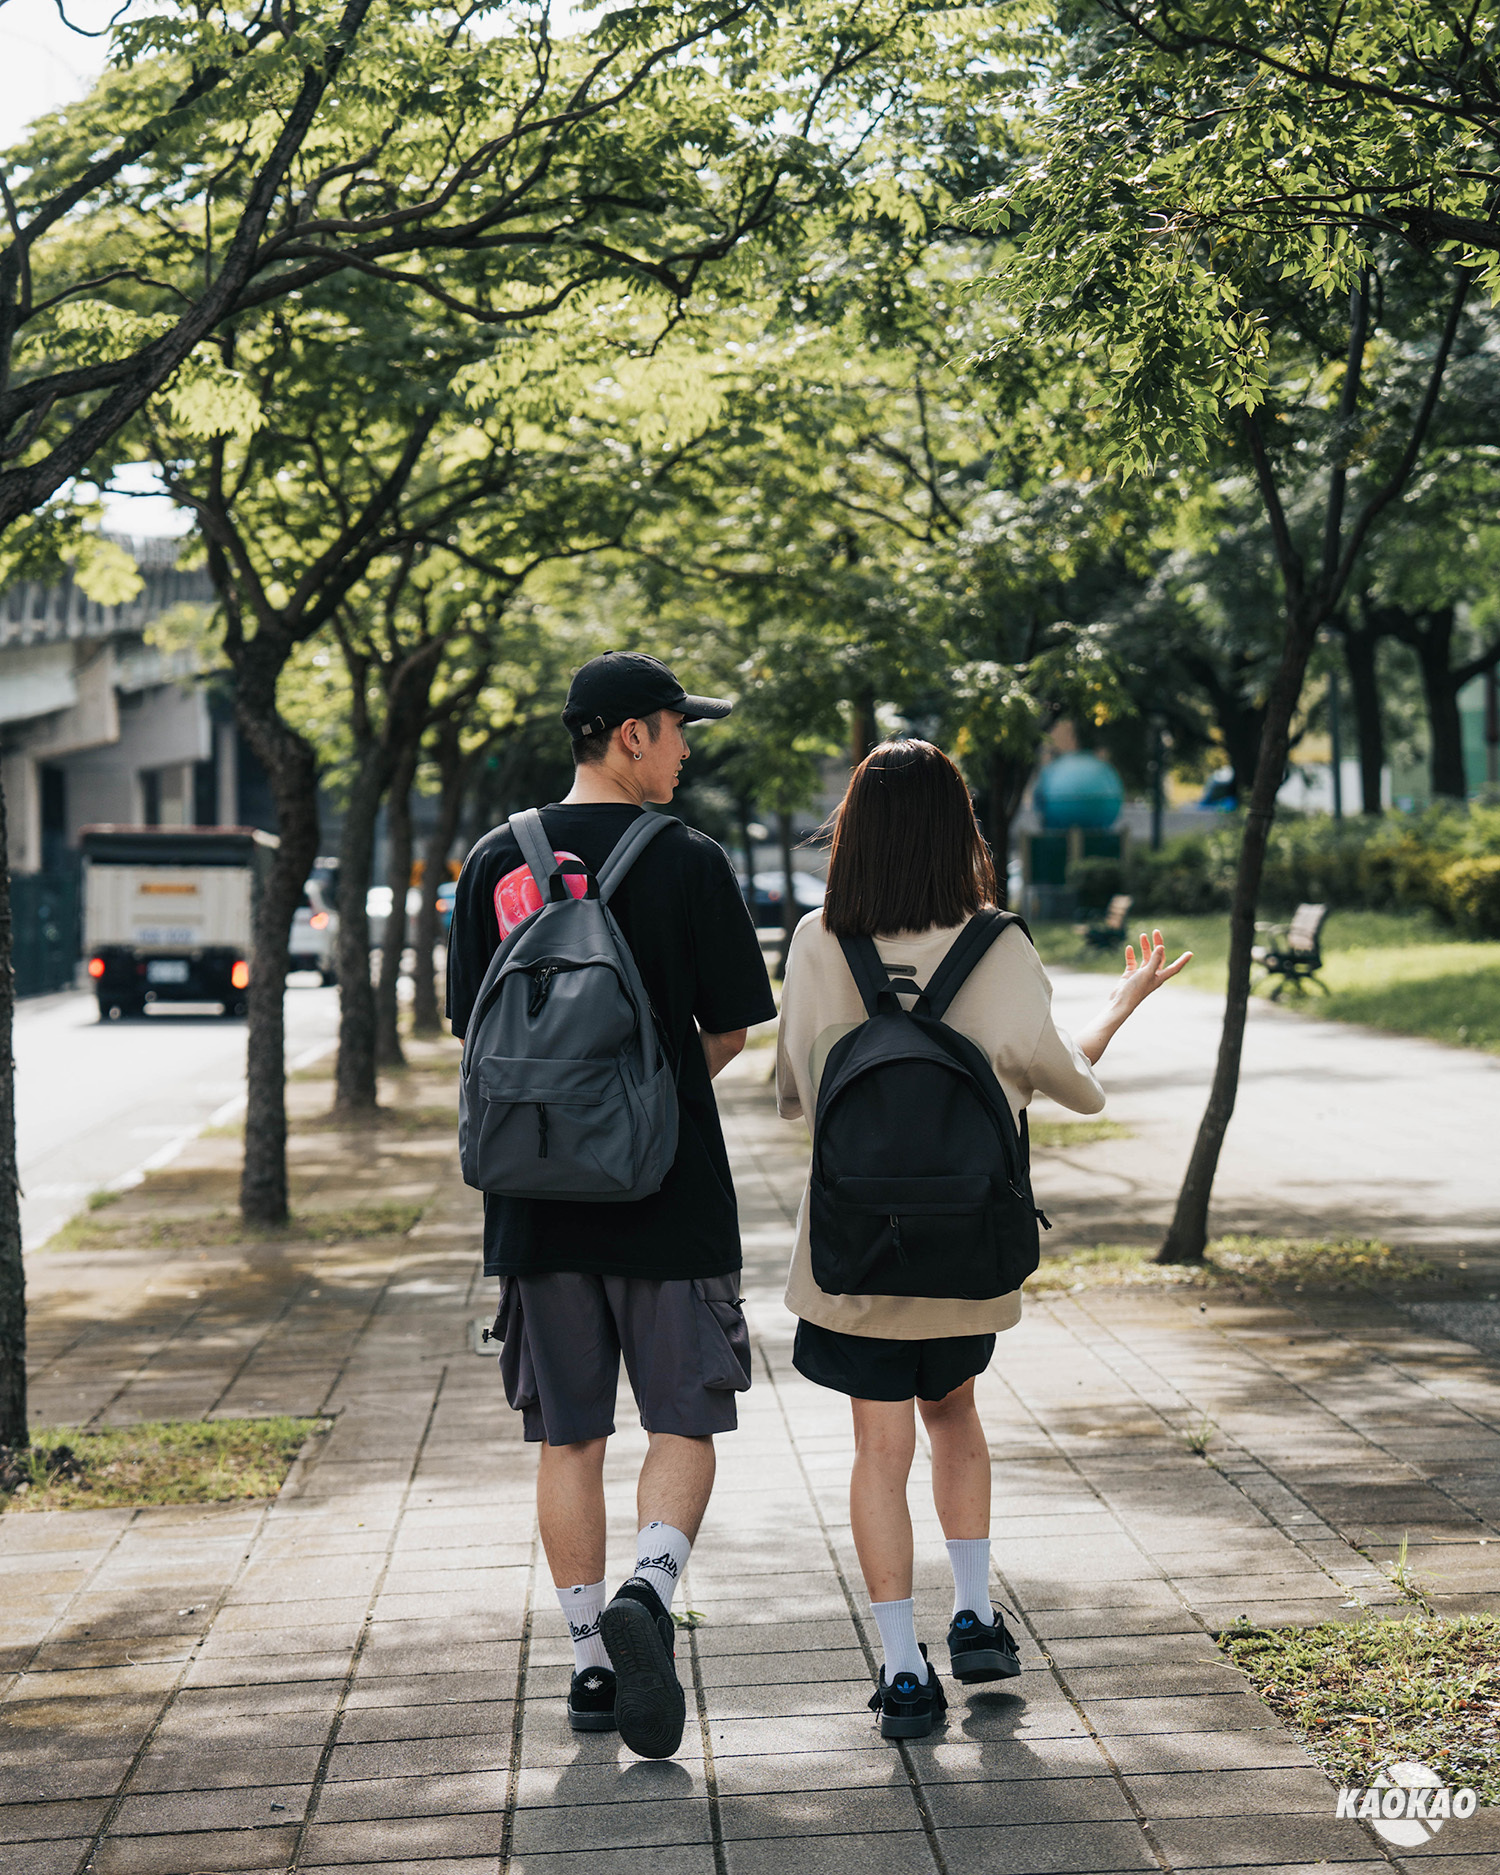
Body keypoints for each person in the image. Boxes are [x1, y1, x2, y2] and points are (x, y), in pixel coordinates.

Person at [775, 739, 1189, 1739]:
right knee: (952, 1413)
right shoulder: (999, 944)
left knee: (879, 1448)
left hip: (856, 1258)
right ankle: (974, 1616)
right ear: (961, 830)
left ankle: (904, 1669)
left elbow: (796, 1099)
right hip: (966, 1252)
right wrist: (1117, 1008)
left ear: (852, 831)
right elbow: (1072, 1086)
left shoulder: (818, 940)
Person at [448, 651, 776, 1759]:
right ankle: (652, 1585)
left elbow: (474, 1029)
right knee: (684, 1417)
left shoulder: (499, 855)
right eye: (680, 729)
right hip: (669, 1190)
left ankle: (592, 1664)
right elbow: (728, 1030)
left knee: (568, 1436)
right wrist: (637, 1110)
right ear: (631, 736)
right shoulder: (690, 861)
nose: (689, 749)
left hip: (535, 1200)